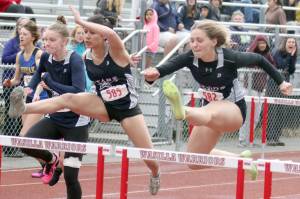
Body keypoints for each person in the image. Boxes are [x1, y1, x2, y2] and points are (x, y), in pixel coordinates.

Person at [9, 6, 161, 196]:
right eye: (85, 33)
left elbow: (112, 34)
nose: (87, 36)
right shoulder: (85, 56)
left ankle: (155, 172)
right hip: (102, 105)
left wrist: (80, 21)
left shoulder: (115, 51)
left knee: (148, 155)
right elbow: (64, 56)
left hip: (127, 109)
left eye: (92, 33)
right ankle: (24, 108)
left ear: (103, 36)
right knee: (67, 99)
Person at [142, 20, 292, 171]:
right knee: (194, 161)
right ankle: (243, 162)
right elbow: (165, 68)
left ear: (214, 41)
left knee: (211, 109)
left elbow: (259, 59)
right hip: (206, 114)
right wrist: (153, 74)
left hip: (234, 112)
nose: (194, 45)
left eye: (199, 40)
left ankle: (184, 110)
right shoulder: (190, 57)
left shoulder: (230, 58)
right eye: (192, 41)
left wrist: (281, 83)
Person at [10, 15, 90, 199]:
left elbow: (77, 91)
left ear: (65, 42)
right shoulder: (45, 56)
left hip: (76, 122)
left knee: (71, 177)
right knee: (25, 142)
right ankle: (51, 159)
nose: (47, 43)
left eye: (52, 40)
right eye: (45, 39)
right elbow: (39, 75)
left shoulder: (75, 60)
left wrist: (51, 83)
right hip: (55, 116)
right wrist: (28, 90)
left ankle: (61, 169)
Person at [3, 19, 48, 176]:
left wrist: (35, 92)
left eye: (24, 34)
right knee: (28, 138)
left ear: (33, 36)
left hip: (40, 99)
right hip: (26, 101)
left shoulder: (39, 54)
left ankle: (50, 162)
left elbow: (44, 78)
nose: (20, 37)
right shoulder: (19, 56)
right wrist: (10, 83)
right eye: (20, 34)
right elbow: (17, 79)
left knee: (24, 136)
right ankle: (47, 164)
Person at [238, 35, 275, 147]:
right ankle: (242, 140)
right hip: (250, 89)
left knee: (256, 117)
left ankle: (250, 140)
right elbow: (247, 63)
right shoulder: (251, 53)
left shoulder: (267, 55)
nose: (262, 45)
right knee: (248, 116)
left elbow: (273, 66)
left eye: (264, 43)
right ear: (256, 44)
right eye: (260, 43)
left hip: (260, 89)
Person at [1, 17, 30, 157]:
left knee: (22, 115)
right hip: (11, 83)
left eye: (27, 27)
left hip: (25, 84)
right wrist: (20, 54)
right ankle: (8, 147)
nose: (23, 30)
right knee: (11, 115)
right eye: (21, 27)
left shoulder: (33, 45)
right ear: (17, 28)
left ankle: (18, 145)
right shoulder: (12, 43)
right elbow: (5, 59)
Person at [265, 37, 297, 146]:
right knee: (273, 110)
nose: (291, 43)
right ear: (285, 43)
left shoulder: (292, 55)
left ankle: (276, 137)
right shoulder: (278, 52)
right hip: (275, 83)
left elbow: (291, 70)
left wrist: (292, 57)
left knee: (280, 110)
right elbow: (281, 65)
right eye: (289, 41)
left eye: (293, 42)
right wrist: (289, 56)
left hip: (285, 84)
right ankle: (270, 138)